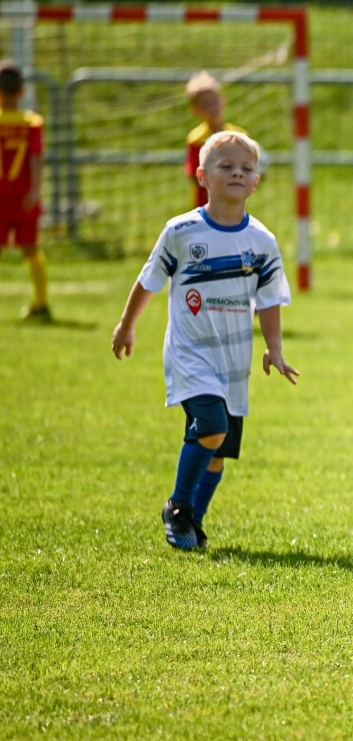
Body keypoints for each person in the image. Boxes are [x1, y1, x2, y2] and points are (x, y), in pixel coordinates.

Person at [111, 130, 298, 552]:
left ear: (257, 182)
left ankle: (193, 522)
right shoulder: (180, 231)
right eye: (225, 166)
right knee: (211, 427)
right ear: (202, 176)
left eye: (246, 168)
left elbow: (270, 300)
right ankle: (178, 508)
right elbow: (148, 281)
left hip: (235, 361)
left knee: (217, 452)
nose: (237, 172)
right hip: (189, 353)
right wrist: (127, 325)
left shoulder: (262, 242)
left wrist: (275, 347)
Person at [0, 61, 48, 321]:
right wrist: (36, 189)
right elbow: (36, 157)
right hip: (24, 195)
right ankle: (41, 303)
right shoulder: (32, 123)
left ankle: (40, 304)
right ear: (22, 92)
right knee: (31, 248)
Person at [185, 72, 245, 208]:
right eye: (205, 105)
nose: (212, 108)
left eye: (214, 102)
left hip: (234, 204)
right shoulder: (196, 139)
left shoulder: (239, 135)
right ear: (196, 110)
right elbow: (194, 174)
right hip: (206, 206)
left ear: (223, 100)